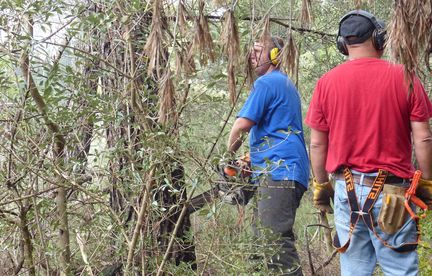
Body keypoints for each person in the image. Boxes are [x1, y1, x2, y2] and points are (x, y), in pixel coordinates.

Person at [305, 9, 432, 276]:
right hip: (393, 192)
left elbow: (317, 144)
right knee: (400, 271)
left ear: (343, 44)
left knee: (354, 270)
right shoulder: (405, 77)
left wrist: (321, 184)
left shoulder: (326, 83)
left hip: (347, 190)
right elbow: (423, 137)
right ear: (380, 38)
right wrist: (426, 182)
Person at [226, 35, 310, 275]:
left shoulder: (268, 82)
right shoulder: (282, 83)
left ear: (276, 56)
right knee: (259, 242)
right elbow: (276, 129)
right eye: (251, 51)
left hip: (280, 171)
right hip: (279, 170)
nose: (252, 56)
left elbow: (241, 126)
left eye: (258, 50)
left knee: (274, 243)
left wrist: (226, 159)